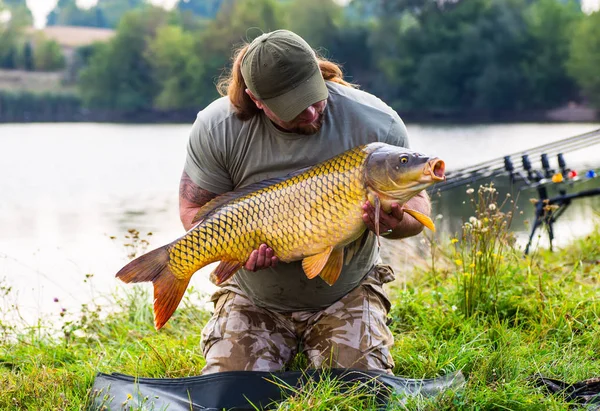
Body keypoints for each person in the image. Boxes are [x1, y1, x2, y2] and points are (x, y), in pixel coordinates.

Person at [179, 29, 431, 375]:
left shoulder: (377, 124)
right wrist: (235, 248)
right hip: (254, 296)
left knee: (361, 391)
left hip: (346, 291)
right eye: (293, 109)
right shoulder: (217, 127)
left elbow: (418, 207)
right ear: (257, 100)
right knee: (229, 392)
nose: (311, 113)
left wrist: (393, 221)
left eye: (315, 97)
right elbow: (194, 213)